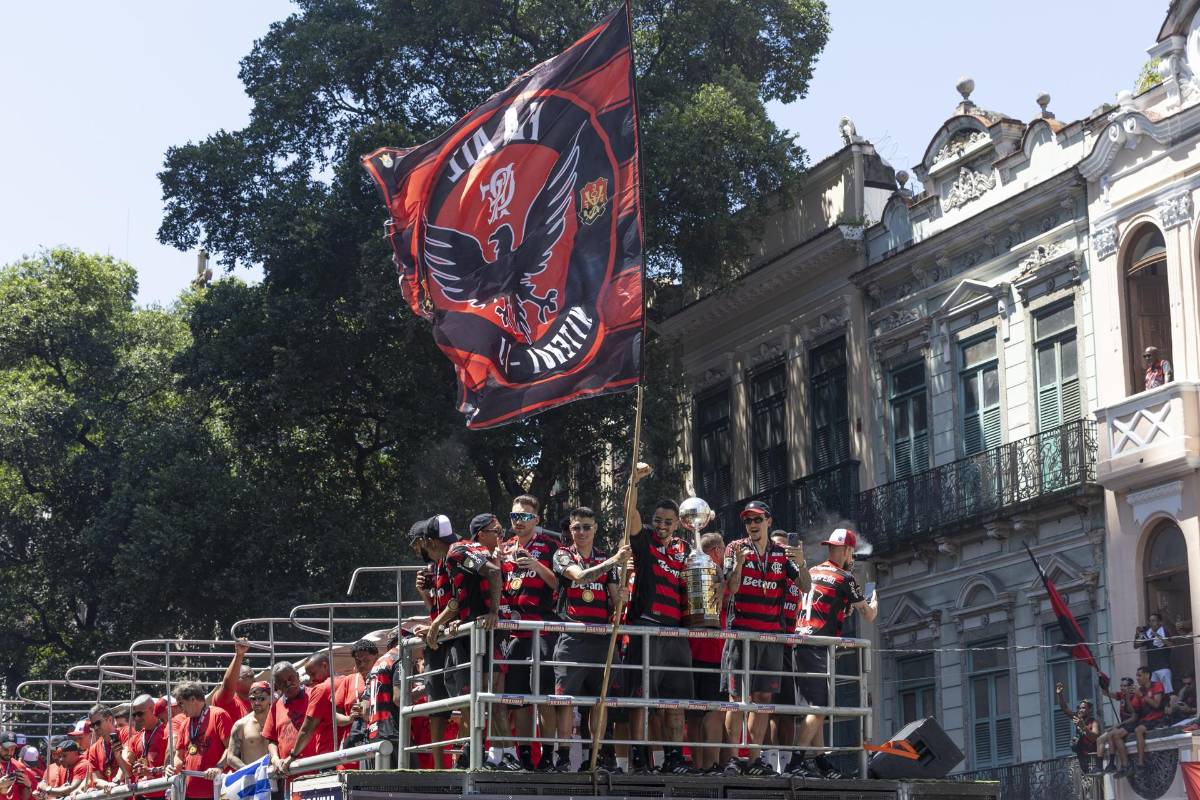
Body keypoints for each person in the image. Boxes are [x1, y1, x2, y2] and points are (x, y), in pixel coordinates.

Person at [721, 503, 810, 777]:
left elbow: (805, 586)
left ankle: (755, 758)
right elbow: (731, 587)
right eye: (748, 520)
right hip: (742, 634)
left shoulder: (783, 554)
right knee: (737, 700)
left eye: (757, 519)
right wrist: (737, 565)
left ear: (768, 521)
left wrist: (803, 562)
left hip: (771, 636)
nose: (752, 524)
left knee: (762, 700)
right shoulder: (734, 547)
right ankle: (733, 759)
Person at [789, 526, 877, 779]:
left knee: (813, 709)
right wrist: (874, 599)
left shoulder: (814, 571)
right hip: (817, 643)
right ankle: (796, 760)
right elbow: (868, 615)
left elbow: (827, 604)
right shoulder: (845, 578)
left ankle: (820, 761)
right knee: (820, 707)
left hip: (799, 640)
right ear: (849, 551)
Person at [549, 505, 630, 773]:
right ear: (570, 530)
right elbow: (580, 577)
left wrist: (622, 595)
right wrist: (613, 562)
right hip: (572, 636)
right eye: (576, 527)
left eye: (587, 526)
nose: (581, 532)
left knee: (601, 699)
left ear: (595, 528)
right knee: (565, 700)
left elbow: (616, 597)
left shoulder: (605, 557)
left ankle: (597, 756)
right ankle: (561, 757)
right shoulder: (562, 555)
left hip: (602, 637)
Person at [624, 468, 692, 775]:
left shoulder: (683, 549)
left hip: (676, 631)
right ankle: (640, 756)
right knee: (643, 697)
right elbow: (630, 513)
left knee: (674, 701)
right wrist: (633, 482)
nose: (662, 526)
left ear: (677, 524)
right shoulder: (645, 541)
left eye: (668, 522)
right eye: (659, 520)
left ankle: (675, 757)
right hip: (646, 625)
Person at [424, 512, 503, 770]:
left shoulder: (458, 551)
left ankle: (500, 753)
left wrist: (493, 612)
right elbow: (458, 601)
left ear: (431, 541)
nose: (421, 550)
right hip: (470, 630)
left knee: (488, 693)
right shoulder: (454, 555)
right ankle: (476, 750)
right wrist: (440, 622)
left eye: (421, 544)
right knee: (468, 693)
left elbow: (492, 572)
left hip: (483, 631)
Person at [497, 495, 561, 771]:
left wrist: (536, 565)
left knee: (544, 695)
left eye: (524, 516)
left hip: (543, 630)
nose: (518, 522)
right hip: (514, 632)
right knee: (518, 699)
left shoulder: (551, 546)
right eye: (514, 517)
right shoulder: (505, 547)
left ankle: (548, 755)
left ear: (536, 519)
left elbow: (561, 583)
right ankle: (523, 754)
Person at [412, 514, 464, 770]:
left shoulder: (456, 558)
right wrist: (425, 594)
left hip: (458, 639)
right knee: (437, 703)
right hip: (439, 641)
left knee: (464, 697)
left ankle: (465, 754)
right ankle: (438, 764)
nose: (414, 549)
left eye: (416, 543)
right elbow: (439, 607)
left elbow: (458, 603)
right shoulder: (435, 567)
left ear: (428, 541)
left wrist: (435, 626)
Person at [688, 532, 729, 774]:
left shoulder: (693, 567)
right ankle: (712, 766)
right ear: (716, 551)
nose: (725, 554)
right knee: (715, 711)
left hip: (693, 649)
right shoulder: (712, 571)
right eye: (723, 548)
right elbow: (725, 595)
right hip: (714, 651)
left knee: (696, 713)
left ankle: (701, 764)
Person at [165, 681, 233, 800]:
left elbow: (231, 748)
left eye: (181, 704)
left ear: (193, 699)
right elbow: (179, 756)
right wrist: (173, 767)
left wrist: (219, 768)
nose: (180, 709)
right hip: (189, 794)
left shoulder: (218, 715)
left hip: (216, 792)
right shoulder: (185, 723)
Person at [204, 681, 273, 795]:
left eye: (261, 699)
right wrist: (250, 772)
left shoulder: (277, 721)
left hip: (276, 778)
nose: (256, 702)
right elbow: (231, 757)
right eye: (253, 699)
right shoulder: (241, 725)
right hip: (251, 782)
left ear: (270, 699)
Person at [263, 662, 320, 778]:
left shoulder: (314, 695)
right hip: (289, 774)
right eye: (282, 683)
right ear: (277, 687)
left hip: (316, 770)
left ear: (298, 676)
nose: (288, 683)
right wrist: (275, 758)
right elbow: (272, 740)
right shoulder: (276, 706)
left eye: (290, 678)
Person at [123, 694, 168, 799]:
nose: (137, 718)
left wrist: (152, 771)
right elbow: (128, 770)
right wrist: (117, 755)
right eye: (134, 715)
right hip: (141, 795)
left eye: (140, 714)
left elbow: (175, 767)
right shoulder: (135, 738)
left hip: (162, 795)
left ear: (152, 709)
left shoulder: (167, 732)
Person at [1054, 682, 1101, 775]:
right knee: (1085, 785)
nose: (1080, 710)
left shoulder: (1094, 722)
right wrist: (1059, 694)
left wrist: (1084, 727)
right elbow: (1065, 709)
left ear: (1089, 710)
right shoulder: (1077, 718)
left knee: (1095, 784)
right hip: (1081, 757)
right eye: (1079, 708)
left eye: (1083, 708)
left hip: (1092, 758)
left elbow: (1094, 737)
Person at [1097, 677, 1138, 777]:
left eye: (1125, 686)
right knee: (1105, 737)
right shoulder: (1122, 696)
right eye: (1121, 686)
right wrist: (1102, 683)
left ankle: (1124, 765)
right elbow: (1106, 693)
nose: (1122, 688)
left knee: (1113, 734)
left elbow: (1135, 716)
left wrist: (1118, 725)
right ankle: (1108, 764)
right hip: (1124, 724)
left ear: (1131, 687)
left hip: (1133, 724)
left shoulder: (1135, 697)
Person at [84, 705, 128, 790]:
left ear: (110, 719)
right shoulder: (93, 749)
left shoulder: (125, 733)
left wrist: (116, 781)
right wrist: (109, 785)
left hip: (128, 793)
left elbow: (128, 761)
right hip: (110, 794)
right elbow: (96, 779)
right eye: (93, 725)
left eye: (98, 723)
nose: (95, 727)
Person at [213, 638, 256, 722]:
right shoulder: (227, 701)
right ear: (236, 680)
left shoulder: (261, 700)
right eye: (249, 676)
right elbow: (227, 687)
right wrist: (239, 655)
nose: (254, 680)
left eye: (253, 676)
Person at [1132, 666, 1167, 769]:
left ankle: (1140, 762)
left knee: (1138, 730)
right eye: (1136, 676)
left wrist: (1142, 695)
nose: (1137, 678)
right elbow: (1135, 710)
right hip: (1145, 720)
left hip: (1157, 718)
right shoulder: (1140, 690)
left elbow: (1156, 704)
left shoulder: (1157, 685)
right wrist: (1127, 696)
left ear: (1147, 675)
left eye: (1139, 675)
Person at [1134, 613, 1174, 693]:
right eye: (1150, 621)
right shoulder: (1147, 633)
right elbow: (1136, 646)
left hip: (1164, 667)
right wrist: (1137, 634)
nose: (1151, 623)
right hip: (1152, 670)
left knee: (1168, 692)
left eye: (1154, 621)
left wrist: (1158, 636)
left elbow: (1171, 645)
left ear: (1160, 622)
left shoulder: (1165, 632)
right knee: (1154, 693)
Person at [0, 732, 37, 800]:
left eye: (12, 749)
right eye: (6, 749)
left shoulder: (19, 767)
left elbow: (25, 797)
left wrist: (28, 786)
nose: (9, 752)